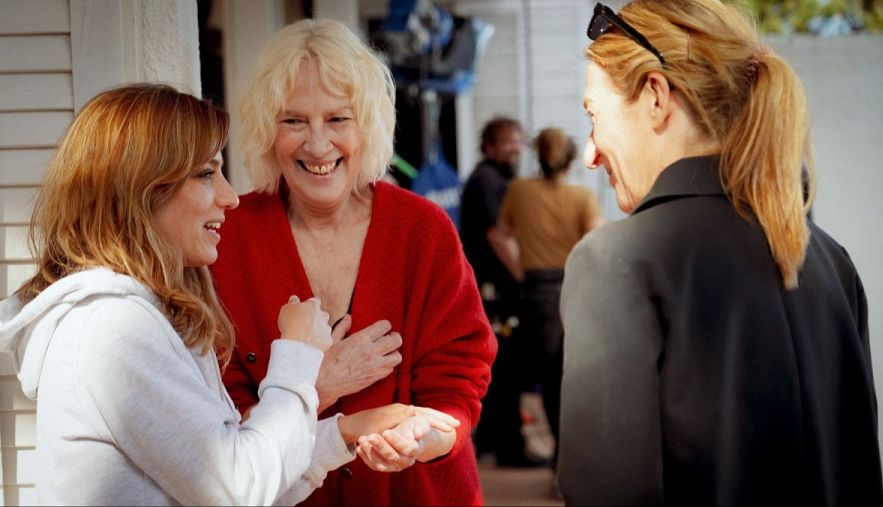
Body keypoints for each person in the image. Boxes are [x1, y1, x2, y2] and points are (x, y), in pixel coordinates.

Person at [0, 84, 456, 505]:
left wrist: (346, 433)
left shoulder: (143, 314)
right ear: (139, 191)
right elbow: (238, 487)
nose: (229, 197)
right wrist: (297, 354)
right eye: (205, 174)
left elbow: (240, 467)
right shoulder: (111, 328)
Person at [558, 1, 883, 505]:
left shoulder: (617, 262)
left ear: (655, 97)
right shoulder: (828, 259)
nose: (589, 153)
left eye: (593, 116)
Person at [209, 19, 496, 506]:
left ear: (368, 124)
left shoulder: (422, 228)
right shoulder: (228, 239)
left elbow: (459, 370)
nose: (317, 145)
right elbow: (220, 413)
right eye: (293, 120)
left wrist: (427, 434)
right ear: (266, 130)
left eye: (338, 119)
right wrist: (317, 386)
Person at [488, 127, 602, 466]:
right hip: (572, 289)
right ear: (570, 159)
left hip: (534, 293)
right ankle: (567, 463)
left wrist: (522, 270)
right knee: (565, 378)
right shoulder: (583, 197)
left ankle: (557, 460)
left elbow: (498, 235)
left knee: (539, 377)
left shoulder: (520, 190)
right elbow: (596, 243)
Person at [459, 116, 535, 467]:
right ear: (488, 145)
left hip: (497, 288)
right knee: (506, 367)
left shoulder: (502, 178)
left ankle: (490, 440)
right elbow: (495, 234)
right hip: (494, 289)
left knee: (499, 365)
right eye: (507, 141)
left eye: (517, 140)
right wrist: (524, 276)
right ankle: (509, 448)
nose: (514, 147)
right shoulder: (487, 180)